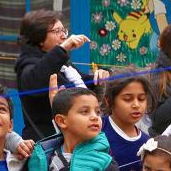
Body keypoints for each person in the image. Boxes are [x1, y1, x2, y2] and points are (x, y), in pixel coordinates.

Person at [13, 10, 109, 140]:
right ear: (39, 38)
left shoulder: (61, 63)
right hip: (48, 144)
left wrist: (102, 74)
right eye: (56, 31)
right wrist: (63, 48)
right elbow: (35, 83)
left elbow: (85, 85)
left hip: (73, 140)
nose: (63, 36)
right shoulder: (28, 64)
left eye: (64, 30)